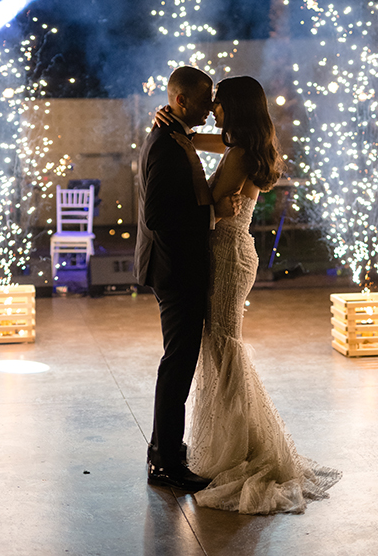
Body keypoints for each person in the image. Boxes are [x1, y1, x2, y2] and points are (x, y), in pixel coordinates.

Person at [157, 75, 341, 514]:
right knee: (222, 347)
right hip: (236, 253)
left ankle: (237, 450)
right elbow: (212, 141)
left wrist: (185, 154)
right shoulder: (247, 144)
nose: (214, 110)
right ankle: (234, 442)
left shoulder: (240, 155)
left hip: (227, 256)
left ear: (234, 108)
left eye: (218, 104)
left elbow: (209, 202)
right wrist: (181, 132)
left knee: (222, 347)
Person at [134, 65, 239, 493]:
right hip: (174, 267)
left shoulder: (174, 135)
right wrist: (212, 213)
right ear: (181, 101)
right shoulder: (164, 143)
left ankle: (167, 451)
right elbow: (157, 215)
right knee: (177, 364)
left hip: (178, 264)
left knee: (179, 362)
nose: (211, 106)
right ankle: (164, 462)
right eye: (204, 99)